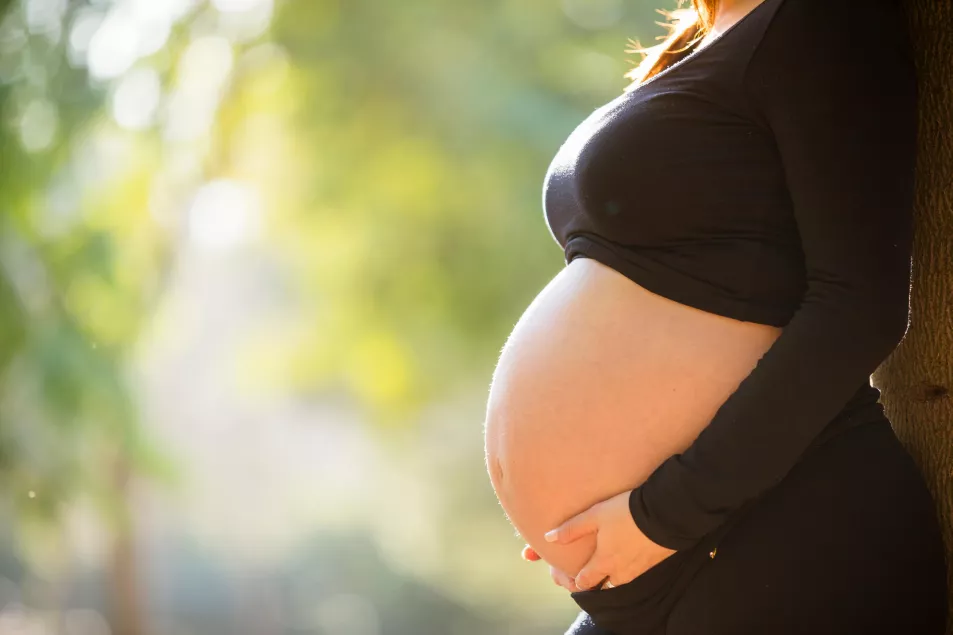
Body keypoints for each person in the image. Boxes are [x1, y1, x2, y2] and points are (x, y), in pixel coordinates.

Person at [482, 0, 949, 633]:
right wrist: (567, 507)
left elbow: (859, 306)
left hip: (779, 533)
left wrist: (663, 513)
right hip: (662, 562)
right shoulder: (701, 41)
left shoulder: (822, 22)